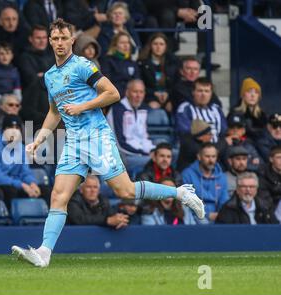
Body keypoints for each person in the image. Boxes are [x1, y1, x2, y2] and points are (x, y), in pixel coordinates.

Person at [11, 19, 204, 268]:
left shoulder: (82, 65)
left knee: (125, 191)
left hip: (97, 136)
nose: (59, 43)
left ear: (72, 41)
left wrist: (82, 106)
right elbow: (54, 111)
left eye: (64, 38)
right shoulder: (50, 76)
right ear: (50, 41)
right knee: (58, 196)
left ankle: (180, 193)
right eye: (55, 38)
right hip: (73, 142)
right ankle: (44, 253)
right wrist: (38, 139)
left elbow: (113, 93)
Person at [0, 115, 50, 209]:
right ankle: (12, 221)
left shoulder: (21, 146)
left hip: (19, 184)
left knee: (46, 190)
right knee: (11, 191)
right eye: (10, 128)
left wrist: (32, 183)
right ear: (4, 129)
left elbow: (25, 172)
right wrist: (21, 185)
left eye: (17, 128)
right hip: (1, 185)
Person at [110, 79, 154, 174]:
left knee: (168, 153)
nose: (138, 96)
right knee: (155, 161)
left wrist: (153, 150)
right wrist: (144, 153)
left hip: (141, 153)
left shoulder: (143, 109)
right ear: (127, 92)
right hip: (124, 156)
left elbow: (144, 137)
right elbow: (119, 144)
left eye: (141, 92)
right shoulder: (117, 110)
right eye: (135, 92)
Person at [182, 143, 228, 223]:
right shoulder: (187, 174)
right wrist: (207, 214)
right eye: (207, 156)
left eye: (213, 156)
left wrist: (220, 215)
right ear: (199, 157)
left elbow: (224, 201)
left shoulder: (222, 177)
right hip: (196, 215)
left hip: (217, 215)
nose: (211, 160)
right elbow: (188, 202)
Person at [138, 33, 180, 112]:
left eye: (161, 44)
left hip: (170, 96)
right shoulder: (142, 64)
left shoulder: (173, 62)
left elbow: (177, 84)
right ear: (150, 46)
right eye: (155, 44)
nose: (158, 47)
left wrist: (168, 94)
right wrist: (154, 93)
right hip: (149, 97)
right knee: (154, 108)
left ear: (166, 46)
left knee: (174, 107)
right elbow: (140, 84)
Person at [176, 77, 227, 143]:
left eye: (207, 91)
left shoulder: (216, 109)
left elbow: (223, 130)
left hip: (217, 148)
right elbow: (185, 132)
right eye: (200, 91)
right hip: (194, 147)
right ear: (193, 92)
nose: (203, 94)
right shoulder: (185, 108)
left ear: (211, 94)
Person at [141, 178, 205, 225]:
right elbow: (150, 234)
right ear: (158, 192)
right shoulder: (150, 211)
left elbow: (192, 229)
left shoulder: (184, 209)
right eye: (165, 188)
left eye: (172, 188)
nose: (169, 191)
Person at [100, 31, 141, 98]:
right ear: (115, 45)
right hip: (116, 98)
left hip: (132, 98)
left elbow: (137, 81)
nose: (126, 45)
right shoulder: (107, 61)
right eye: (122, 43)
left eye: (128, 42)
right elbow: (107, 83)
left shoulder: (132, 62)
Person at [258, 146, 281, 222]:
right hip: (272, 214)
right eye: (279, 157)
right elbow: (266, 202)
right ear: (271, 159)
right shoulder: (262, 175)